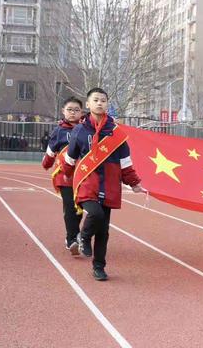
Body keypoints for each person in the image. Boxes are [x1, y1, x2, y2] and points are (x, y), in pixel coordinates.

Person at [62, 88, 143, 281]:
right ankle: (83, 236)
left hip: (109, 185)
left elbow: (125, 163)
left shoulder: (116, 134)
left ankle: (99, 266)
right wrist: (66, 174)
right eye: (95, 100)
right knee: (95, 214)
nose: (100, 103)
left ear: (108, 105)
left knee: (104, 231)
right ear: (88, 105)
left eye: (103, 100)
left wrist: (134, 183)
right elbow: (70, 158)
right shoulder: (80, 131)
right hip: (87, 183)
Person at [42, 97, 84, 255]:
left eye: (76, 110)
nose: (73, 113)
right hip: (64, 175)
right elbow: (51, 150)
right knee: (70, 206)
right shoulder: (59, 131)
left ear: (82, 112)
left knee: (80, 206)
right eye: (69, 110)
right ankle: (71, 239)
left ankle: (75, 234)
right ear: (63, 111)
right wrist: (46, 163)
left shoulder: (87, 129)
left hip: (82, 174)